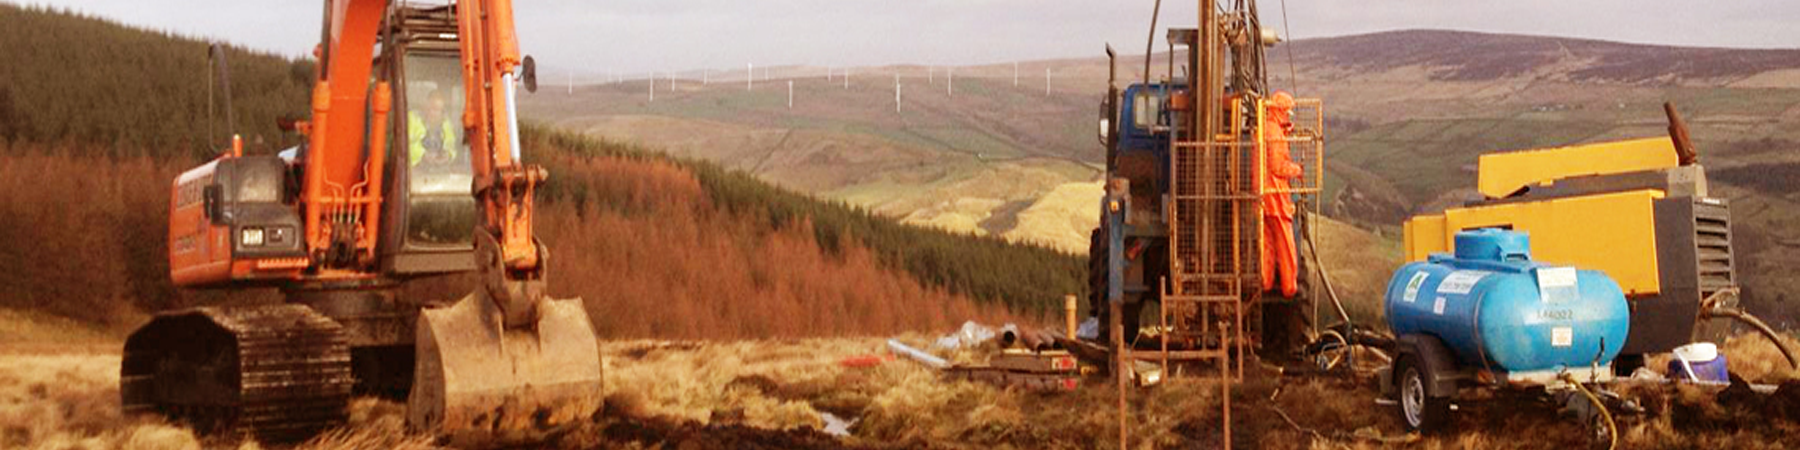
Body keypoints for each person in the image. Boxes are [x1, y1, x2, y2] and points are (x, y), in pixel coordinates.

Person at [1261, 91, 1303, 297]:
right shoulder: (1275, 134)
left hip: (1261, 198)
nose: (1288, 116)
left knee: (1266, 244)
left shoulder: (1263, 130)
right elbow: (1278, 166)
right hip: (1276, 197)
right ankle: (1289, 286)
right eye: (1287, 112)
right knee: (1286, 244)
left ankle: (1265, 281)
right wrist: (1297, 169)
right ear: (1280, 111)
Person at [408, 89, 459, 167]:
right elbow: (404, 147)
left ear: (442, 111)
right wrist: (423, 155)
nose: (432, 112)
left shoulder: (446, 125)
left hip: (439, 173)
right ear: (424, 106)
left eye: (436, 109)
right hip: (413, 172)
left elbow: (451, 146)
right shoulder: (412, 119)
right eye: (430, 108)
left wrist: (448, 155)